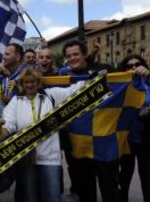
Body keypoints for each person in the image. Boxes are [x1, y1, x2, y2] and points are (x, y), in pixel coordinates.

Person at [61, 40, 149, 202]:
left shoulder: (106, 70)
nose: (72, 58)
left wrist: (141, 73)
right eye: (68, 56)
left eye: (76, 54)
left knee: (110, 192)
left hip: (106, 145)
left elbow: (128, 82)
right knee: (85, 193)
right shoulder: (63, 77)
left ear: (84, 54)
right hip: (79, 145)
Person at [0, 68, 85, 202]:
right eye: (26, 82)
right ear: (22, 84)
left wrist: (96, 79)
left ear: (38, 82)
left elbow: (73, 90)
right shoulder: (16, 101)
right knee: (31, 197)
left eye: (33, 82)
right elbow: (8, 126)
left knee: (53, 196)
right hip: (26, 158)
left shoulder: (51, 95)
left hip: (50, 158)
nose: (29, 85)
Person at [118, 55, 150, 202]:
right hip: (126, 139)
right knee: (124, 177)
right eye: (129, 66)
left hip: (146, 138)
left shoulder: (148, 80)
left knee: (148, 177)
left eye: (137, 64)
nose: (134, 68)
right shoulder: (119, 86)